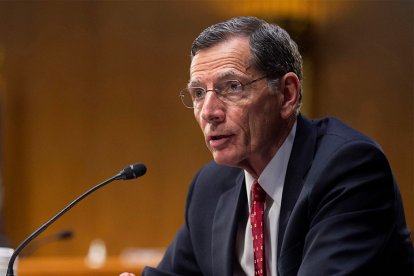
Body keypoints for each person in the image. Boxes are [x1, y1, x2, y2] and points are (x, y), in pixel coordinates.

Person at [122, 16, 413, 276]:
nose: (209, 111)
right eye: (198, 93)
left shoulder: (349, 168)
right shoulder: (210, 186)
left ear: (287, 94)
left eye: (232, 86)